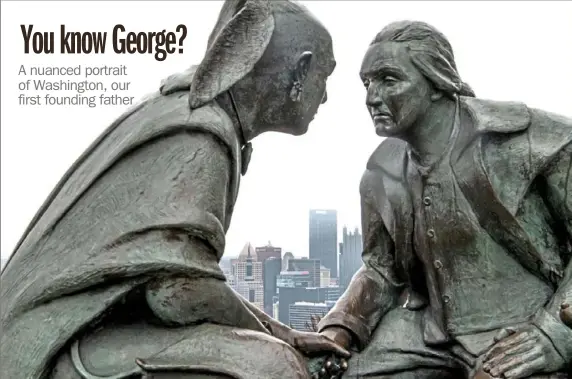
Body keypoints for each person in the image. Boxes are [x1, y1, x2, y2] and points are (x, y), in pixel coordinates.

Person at [0, 1, 347, 378]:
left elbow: (185, 275)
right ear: (299, 71)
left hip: (80, 330)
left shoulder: (197, 115)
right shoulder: (201, 134)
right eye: (324, 78)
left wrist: (286, 333)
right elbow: (178, 294)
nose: (325, 97)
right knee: (272, 367)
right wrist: (282, 342)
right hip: (57, 345)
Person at [297, 21, 572, 379]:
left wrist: (552, 336)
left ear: (437, 83)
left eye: (389, 80)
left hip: (521, 330)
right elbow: (381, 270)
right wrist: (339, 330)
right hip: (425, 336)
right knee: (314, 371)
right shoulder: (381, 175)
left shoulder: (526, 142)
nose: (371, 97)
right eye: (367, 83)